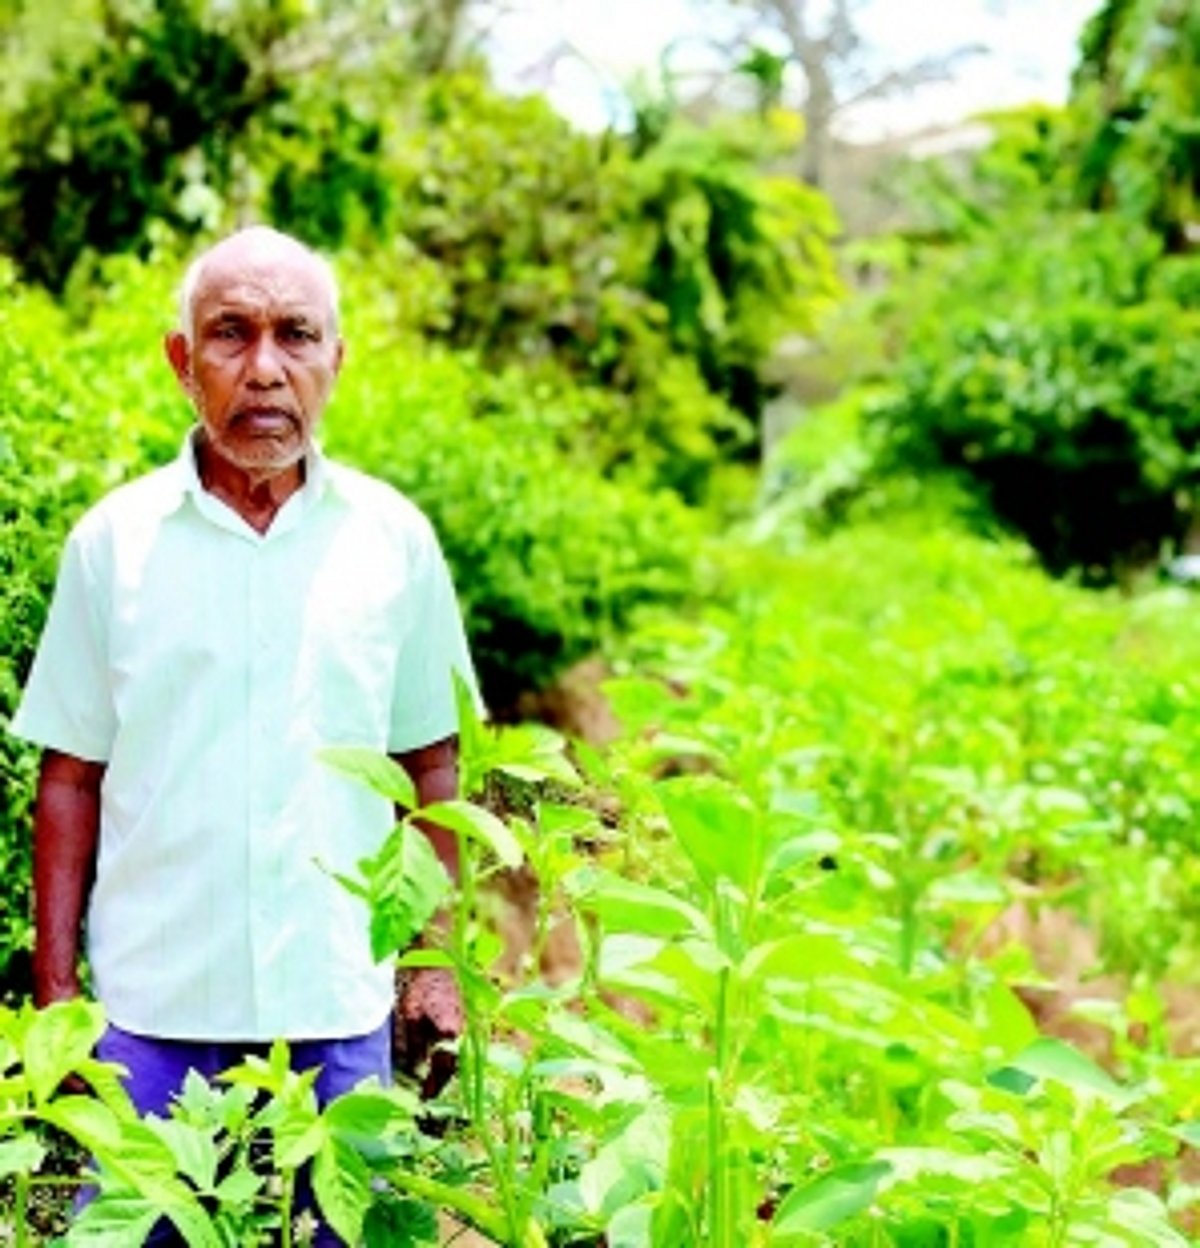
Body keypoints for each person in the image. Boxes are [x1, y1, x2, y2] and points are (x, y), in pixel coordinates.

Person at [10, 226, 478, 1244]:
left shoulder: (392, 542)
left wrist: (432, 965)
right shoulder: (115, 545)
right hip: (150, 1021)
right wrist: (58, 998)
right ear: (183, 361)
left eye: (295, 336)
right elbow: (70, 777)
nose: (264, 369)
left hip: (337, 1009)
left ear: (335, 361)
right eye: (231, 334)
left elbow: (431, 764)